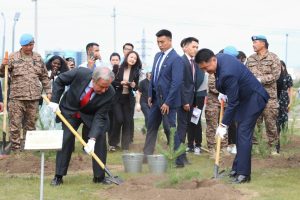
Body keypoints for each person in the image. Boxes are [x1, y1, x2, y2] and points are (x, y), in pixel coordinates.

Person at [195, 48, 269, 184]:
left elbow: (233, 103)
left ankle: (243, 175)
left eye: (207, 68)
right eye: (203, 69)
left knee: (243, 133)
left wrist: (223, 125)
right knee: (242, 133)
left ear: (212, 59)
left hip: (254, 99)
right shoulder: (219, 59)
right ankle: (236, 169)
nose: (206, 71)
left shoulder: (227, 73)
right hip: (245, 98)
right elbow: (228, 87)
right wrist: (223, 91)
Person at [48, 67, 115, 186]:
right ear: (94, 80)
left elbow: (100, 117)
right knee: (66, 139)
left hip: (92, 115)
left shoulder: (110, 92)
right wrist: (54, 101)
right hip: (71, 110)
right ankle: (58, 176)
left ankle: (99, 177)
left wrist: (92, 139)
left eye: (107, 87)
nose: (104, 90)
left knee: (99, 138)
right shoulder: (80, 73)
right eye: (102, 86)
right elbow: (60, 81)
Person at [0, 33, 51, 152]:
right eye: (26, 45)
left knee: (30, 125)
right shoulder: (13, 57)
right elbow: (2, 74)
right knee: (15, 124)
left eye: (31, 45)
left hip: (33, 98)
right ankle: (16, 149)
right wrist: (3, 65)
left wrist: (48, 90)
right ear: (22, 46)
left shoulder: (38, 58)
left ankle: (27, 148)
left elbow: (44, 76)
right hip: (16, 98)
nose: (29, 47)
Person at [143, 29, 183, 163]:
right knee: (151, 126)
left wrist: (168, 102)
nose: (160, 44)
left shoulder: (176, 59)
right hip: (155, 100)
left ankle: (178, 160)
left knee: (170, 129)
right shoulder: (157, 56)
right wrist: (150, 94)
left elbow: (176, 83)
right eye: (158, 42)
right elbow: (153, 76)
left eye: (162, 42)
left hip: (168, 102)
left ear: (170, 41)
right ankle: (147, 156)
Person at [246, 35, 281, 154]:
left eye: (255, 42)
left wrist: (260, 79)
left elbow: (276, 75)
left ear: (263, 43)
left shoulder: (273, 57)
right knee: (255, 123)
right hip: (254, 96)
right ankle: (256, 147)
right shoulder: (250, 59)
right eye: (253, 42)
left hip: (269, 97)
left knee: (271, 123)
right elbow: (246, 74)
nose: (253, 44)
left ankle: (273, 147)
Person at [176, 37, 204, 166]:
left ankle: (182, 157)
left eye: (197, 47)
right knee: (182, 129)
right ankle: (178, 158)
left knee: (188, 127)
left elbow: (194, 83)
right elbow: (180, 83)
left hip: (193, 100)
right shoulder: (181, 61)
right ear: (184, 47)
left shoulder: (195, 63)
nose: (196, 49)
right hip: (184, 101)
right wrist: (184, 101)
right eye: (193, 46)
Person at [109, 51, 141, 151]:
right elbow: (111, 82)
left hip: (128, 99)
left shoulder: (136, 72)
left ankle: (125, 146)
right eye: (131, 57)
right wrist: (120, 83)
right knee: (119, 119)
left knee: (127, 122)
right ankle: (113, 144)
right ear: (127, 57)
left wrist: (134, 85)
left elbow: (137, 88)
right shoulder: (118, 68)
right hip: (117, 98)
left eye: (135, 58)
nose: (133, 59)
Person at [276, 60, 293, 151]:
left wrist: (290, 102)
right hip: (276, 99)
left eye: (281, 66)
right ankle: (276, 143)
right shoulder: (276, 77)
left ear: (284, 67)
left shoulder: (288, 77)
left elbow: (290, 90)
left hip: (284, 100)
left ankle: (284, 139)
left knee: (283, 120)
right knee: (276, 121)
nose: (280, 68)